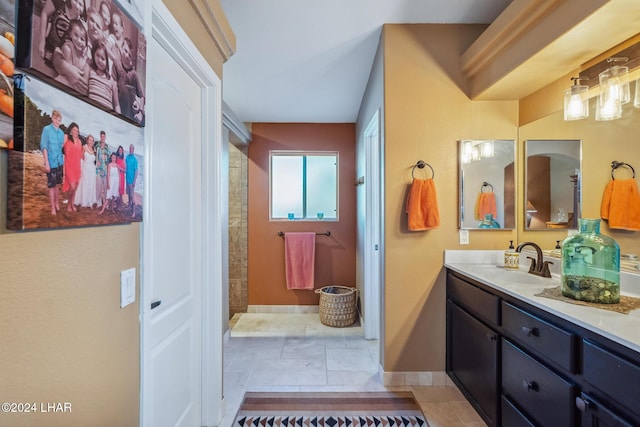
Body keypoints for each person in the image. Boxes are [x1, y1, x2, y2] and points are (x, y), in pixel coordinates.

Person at [38, 0, 86, 69]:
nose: (77, 5)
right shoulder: (58, 2)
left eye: (81, 4)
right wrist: (42, 41)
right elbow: (45, 13)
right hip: (48, 48)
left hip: (64, 58)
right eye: (75, 1)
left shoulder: (80, 23)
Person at [52, 18, 89, 94]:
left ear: (86, 44)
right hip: (64, 82)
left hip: (76, 87)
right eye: (76, 35)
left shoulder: (84, 56)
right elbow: (70, 70)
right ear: (70, 34)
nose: (79, 40)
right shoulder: (69, 46)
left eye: (82, 39)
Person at [114, 37, 145, 124]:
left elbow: (142, 96)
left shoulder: (133, 74)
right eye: (125, 51)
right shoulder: (116, 65)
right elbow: (113, 86)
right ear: (121, 49)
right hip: (118, 110)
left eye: (130, 55)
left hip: (130, 114)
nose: (127, 56)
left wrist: (141, 112)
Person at [40, 109, 65, 215]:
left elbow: (61, 148)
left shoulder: (61, 132)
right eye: (55, 119)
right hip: (51, 162)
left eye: (59, 120)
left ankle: (56, 203)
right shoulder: (46, 129)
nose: (57, 121)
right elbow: (44, 146)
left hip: (60, 162)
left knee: (57, 185)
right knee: (51, 186)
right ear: (52, 117)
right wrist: (47, 162)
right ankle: (52, 208)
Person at [87, 41, 120, 113]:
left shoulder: (111, 81)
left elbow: (117, 104)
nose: (99, 60)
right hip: (92, 110)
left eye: (103, 58)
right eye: (97, 55)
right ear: (93, 55)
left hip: (106, 114)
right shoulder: (91, 71)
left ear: (107, 61)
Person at [62, 122, 83, 212]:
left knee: (75, 188)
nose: (75, 132)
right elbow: (60, 146)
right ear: (71, 130)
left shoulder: (80, 142)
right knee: (72, 187)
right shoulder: (67, 139)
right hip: (69, 167)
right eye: (74, 130)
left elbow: (81, 156)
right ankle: (69, 205)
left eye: (77, 131)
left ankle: (71, 204)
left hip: (77, 167)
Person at [74, 134, 97, 208]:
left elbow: (95, 162)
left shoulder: (94, 150)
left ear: (93, 142)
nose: (91, 142)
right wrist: (81, 170)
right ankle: (83, 201)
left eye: (92, 141)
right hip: (85, 168)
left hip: (92, 170)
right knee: (84, 184)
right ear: (87, 140)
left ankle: (89, 201)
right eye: (89, 140)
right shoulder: (84, 147)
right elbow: (81, 159)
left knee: (91, 185)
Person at [94, 130, 110, 208]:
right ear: (100, 137)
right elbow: (94, 155)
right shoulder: (97, 146)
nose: (103, 138)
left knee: (105, 187)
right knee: (98, 187)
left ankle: (106, 203)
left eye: (104, 136)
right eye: (102, 136)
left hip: (105, 170)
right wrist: (96, 161)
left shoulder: (107, 147)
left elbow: (109, 158)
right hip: (98, 170)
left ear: (105, 137)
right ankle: (98, 202)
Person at [125, 144, 138, 217]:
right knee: (129, 195)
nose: (131, 149)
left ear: (133, 150)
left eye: (132, 148)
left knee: (132, 196)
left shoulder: (135, 159)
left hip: (132, 181)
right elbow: (126, 168)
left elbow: (136, 171)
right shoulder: (127, 157)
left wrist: (134, 181)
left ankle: (134, 212)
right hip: (127, 179)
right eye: (130, 148)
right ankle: (129, 206)